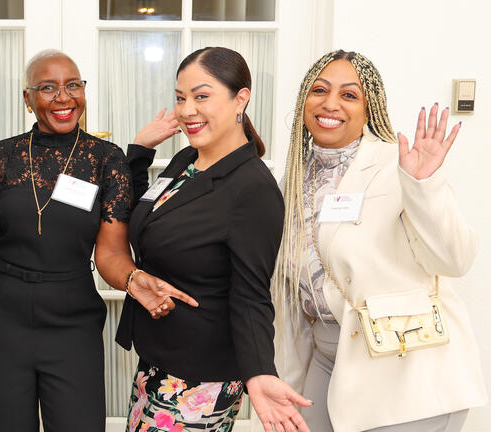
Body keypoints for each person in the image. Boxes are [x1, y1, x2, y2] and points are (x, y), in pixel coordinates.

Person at [0, 49, 196, 431]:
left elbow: (110, 252)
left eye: (73, 85)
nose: (64, 97)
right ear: (27, 98)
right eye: (48, 88)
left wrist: (133, 279)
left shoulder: (106, 160)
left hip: (71, 320)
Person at [272, 50, 488, 431]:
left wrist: (423, 186)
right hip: (327, 357)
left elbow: (455, 259)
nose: (330, 104)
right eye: (319, 90)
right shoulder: (292, 180)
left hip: (406, 367)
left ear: (369, 109)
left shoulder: (397, 166)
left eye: (349, 95)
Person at [116, 46, 311, 432]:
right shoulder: (187, 161)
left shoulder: (252, 188)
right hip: (159, 360)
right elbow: (148, 219)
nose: (187, 110)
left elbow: (252, 295)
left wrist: (259, 372)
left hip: (201, 376)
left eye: (201, 96)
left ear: (241, 99)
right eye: (180, 98)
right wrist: (139, 152)